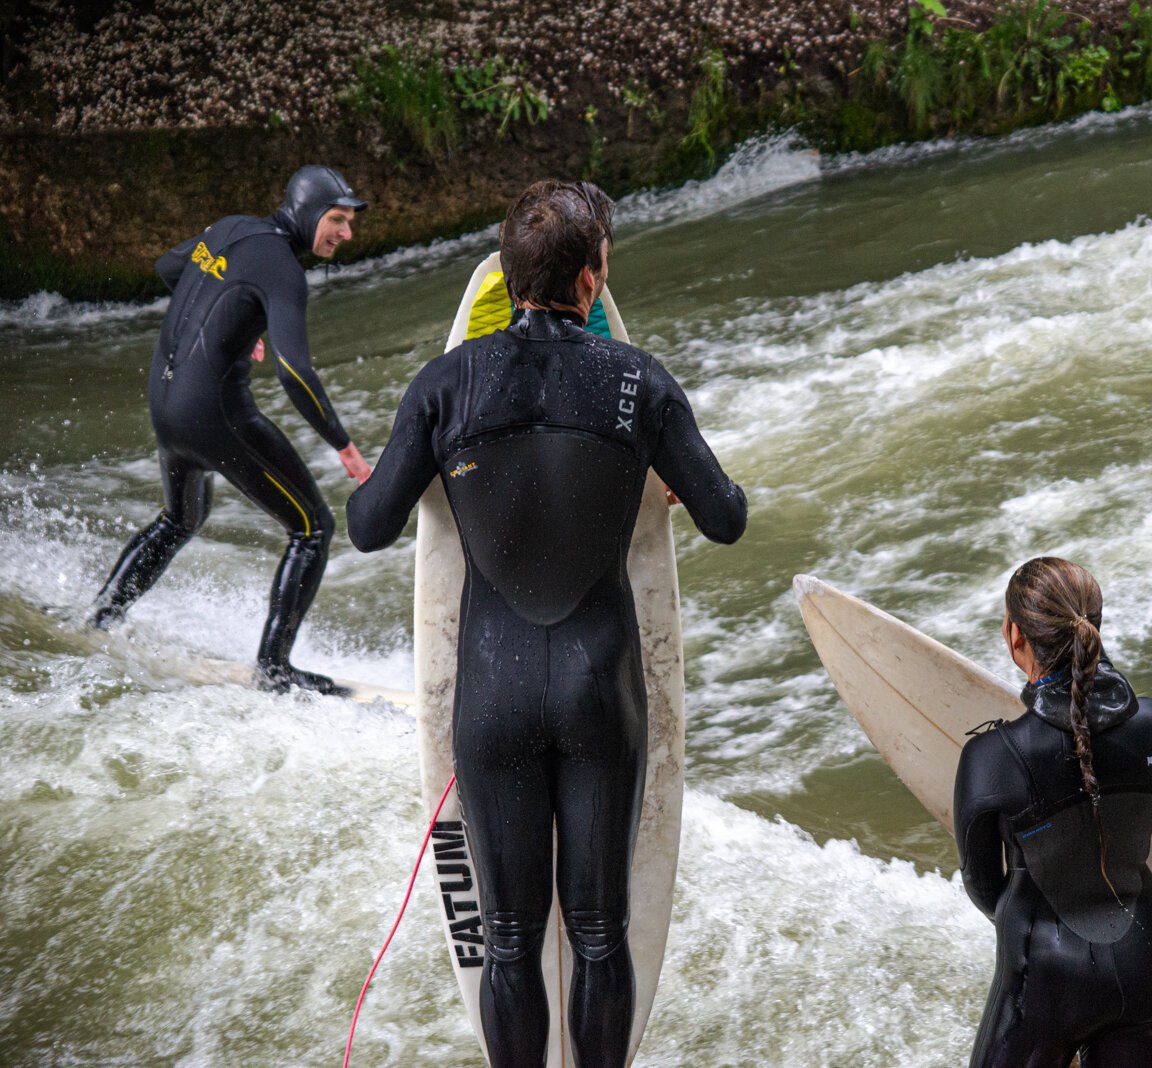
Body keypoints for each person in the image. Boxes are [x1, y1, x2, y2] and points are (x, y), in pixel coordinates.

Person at [345, 179, 747, 1067]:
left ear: (511, 276)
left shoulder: (447, 385)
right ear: (592, 279)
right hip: (602, 689)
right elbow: (725, 516)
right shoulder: (637, 383)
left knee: (511, 937)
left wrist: (431, 470)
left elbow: (369, 527)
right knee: (601, 934)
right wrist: (668, 472)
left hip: (492, 693)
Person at [89, 164, 374, 696]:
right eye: (337, 219)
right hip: (214, 415)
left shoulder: (229, 229)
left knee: (180, 518)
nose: (346, 233)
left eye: (350, 221)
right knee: (313, 529)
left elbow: (172, 267)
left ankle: (101, 618)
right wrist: (345, 446)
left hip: (166, 403)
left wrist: (236, 326)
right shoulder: (284, 271)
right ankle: (274, 669)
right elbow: (296, 374)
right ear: (308, 211)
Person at [954, 557, 1152, 1068]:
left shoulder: (993, 757)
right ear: (1096, 626)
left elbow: (982, 886)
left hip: (1042, 980)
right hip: (1146, 963)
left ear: (1015, 635)